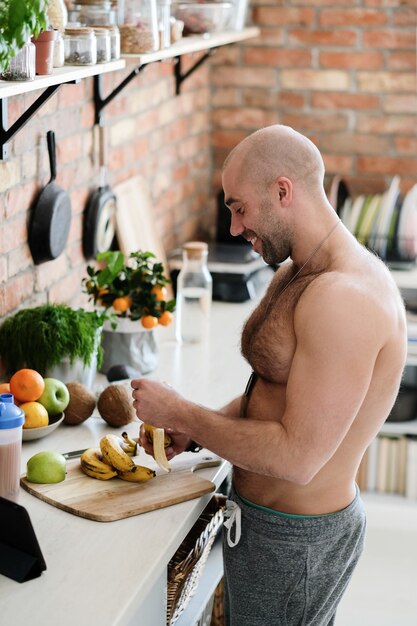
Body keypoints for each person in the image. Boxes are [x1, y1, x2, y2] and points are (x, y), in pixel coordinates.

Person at [131, 125, 407, 625]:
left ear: (283, 191)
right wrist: (196, 428)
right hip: (264, 525)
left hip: (296, 541)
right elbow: (269, 397)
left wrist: (181, 410)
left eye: (239, 208)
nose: (234, 228)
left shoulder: (344, 298)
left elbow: (299, 457)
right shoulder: (296, 273)